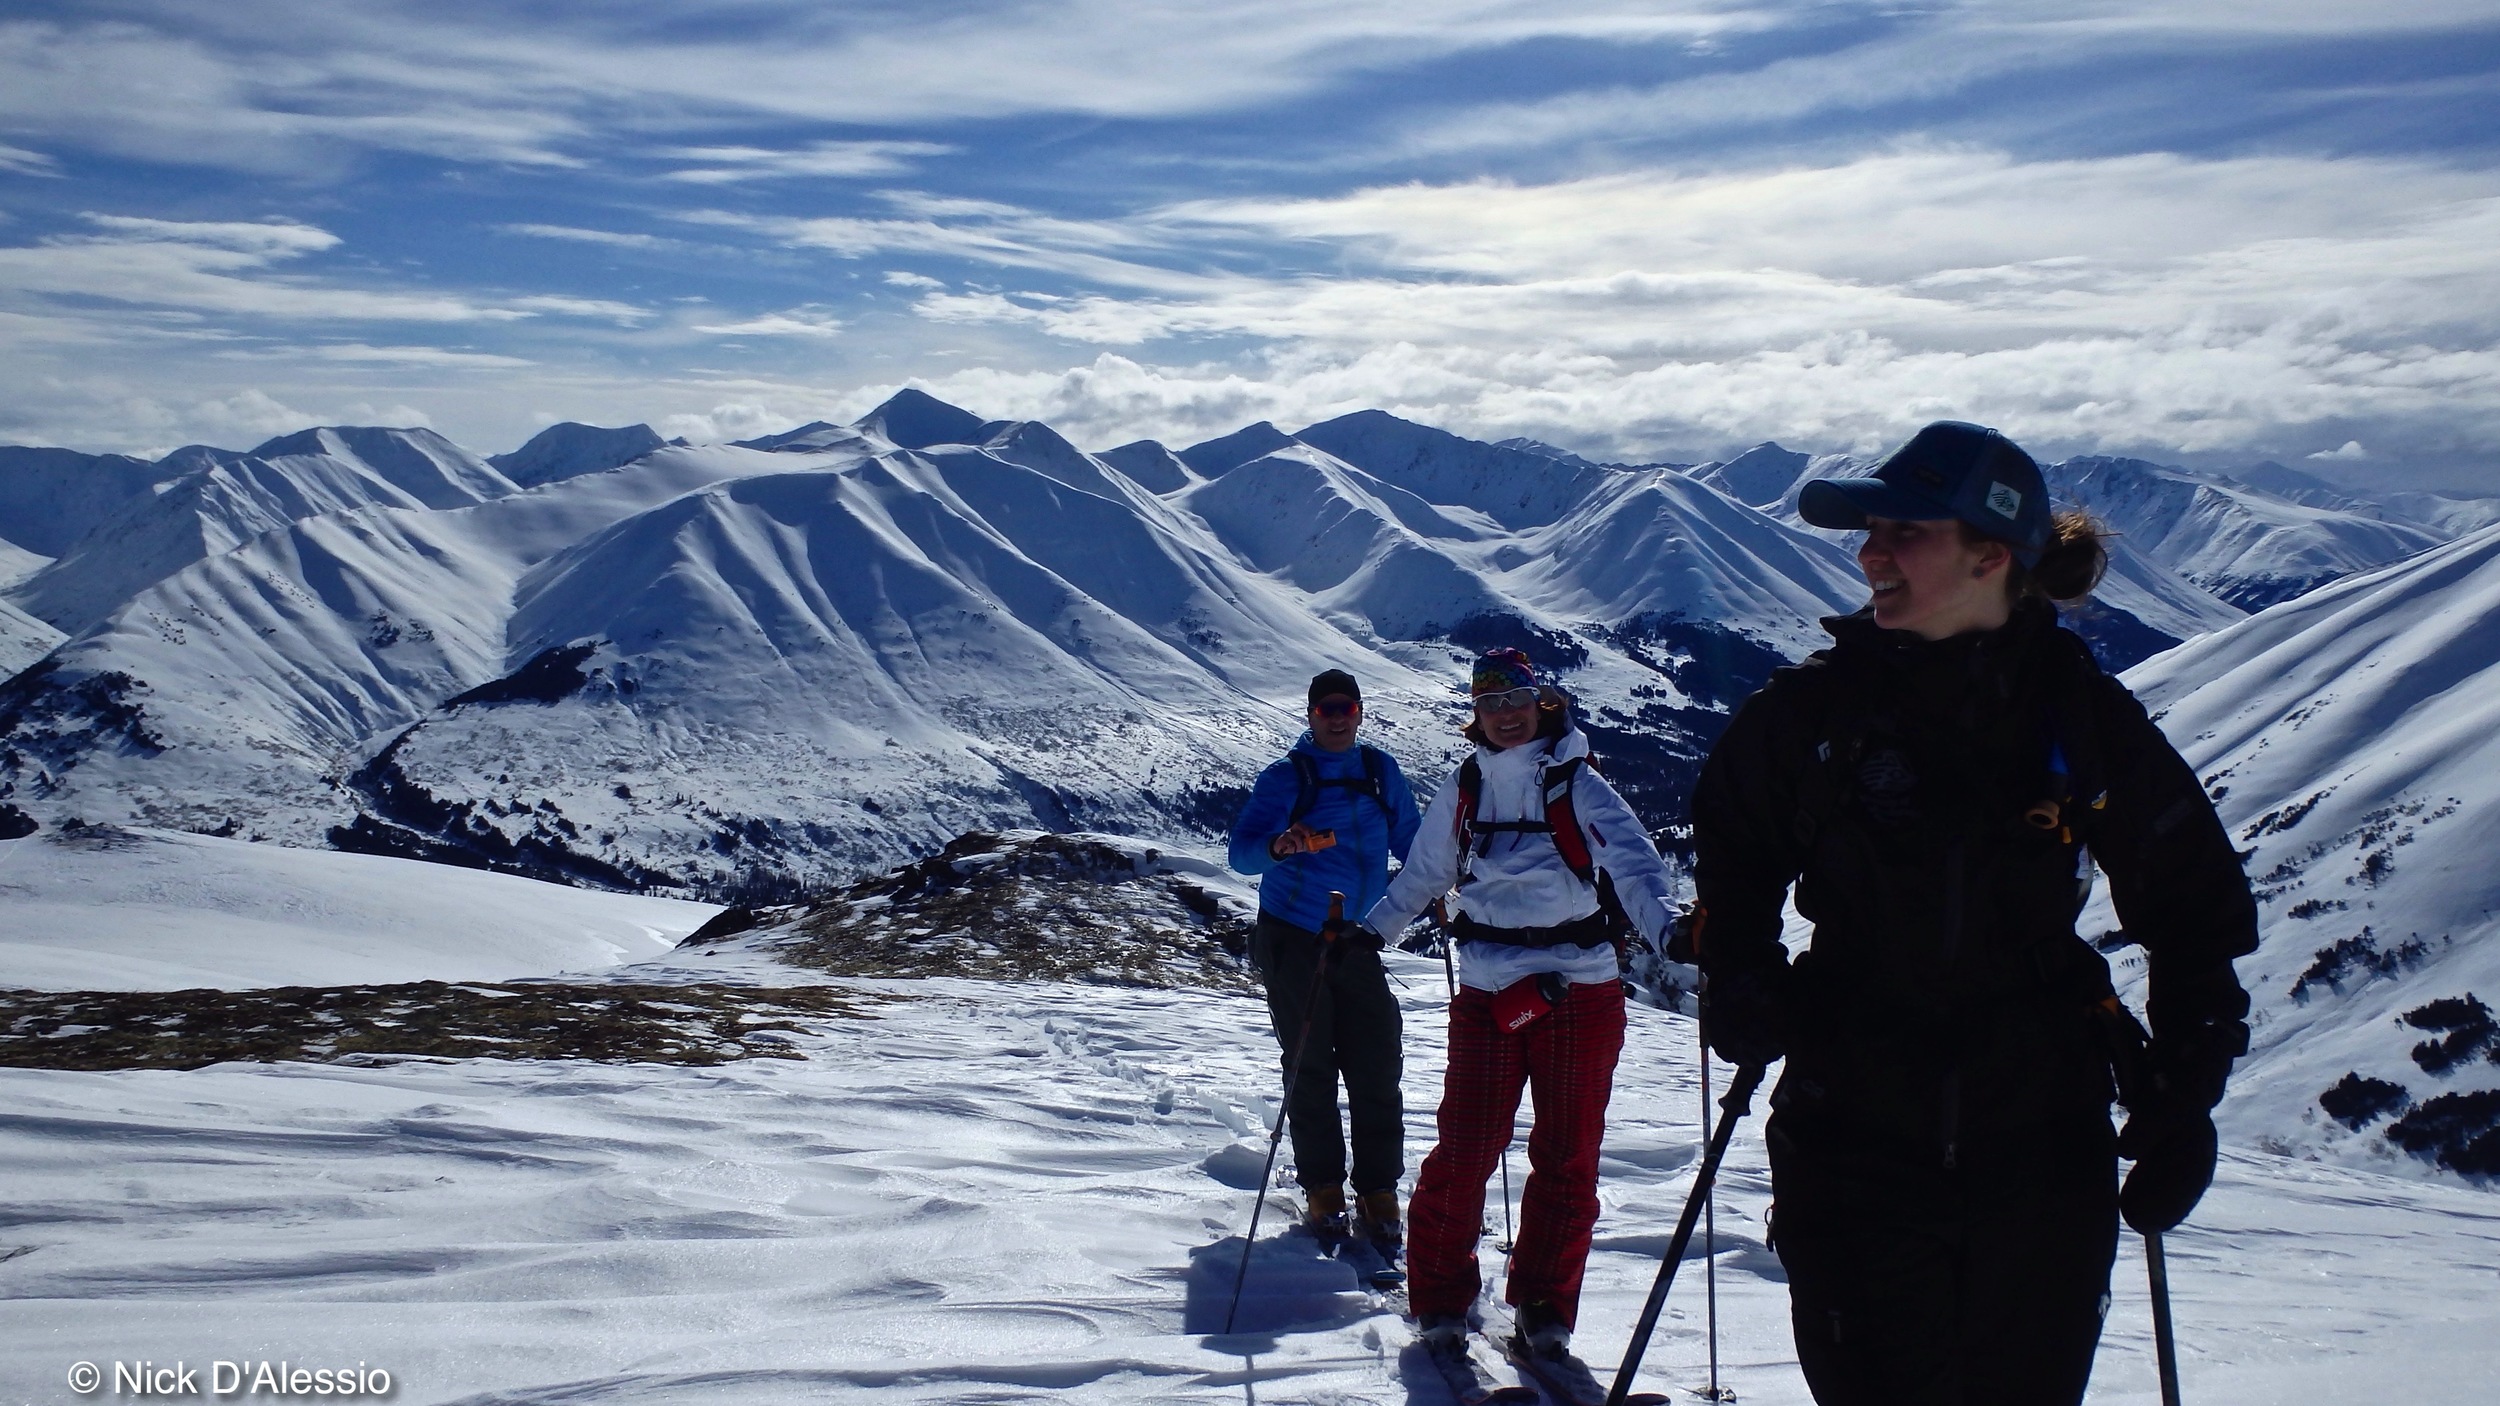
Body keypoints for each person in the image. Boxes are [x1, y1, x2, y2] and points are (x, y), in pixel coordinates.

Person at [1689, 421, 2257, 1406]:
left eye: (1901, 530)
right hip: (1851, 1134)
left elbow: (2193, 902)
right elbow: (1734, 845)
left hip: (2038, 1145)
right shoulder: (1813, 715)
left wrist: (2188, 1080)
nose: (1868, 552)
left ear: (1989, 554)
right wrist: (1737, 968)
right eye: (1868, 529)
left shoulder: (2083, 719)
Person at [1364, 647, 1679, 1369]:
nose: (1505, 715)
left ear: (1544, 702)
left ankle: (1543, 1304)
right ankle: (1443, 1294)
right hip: (1489, 986)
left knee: (1566, 1157)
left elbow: (1632, 863)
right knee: (1467, 1148)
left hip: (1579, 984)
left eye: (1517, 700)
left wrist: (1670, 930)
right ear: (1475, 714)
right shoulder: (1469, 784)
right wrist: (1368, 934)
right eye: (1489, 704)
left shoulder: (1579, 782)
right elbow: (1425, 872)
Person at [1228, 669, 1422, 1256]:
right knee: (1311, 1062)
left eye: (1347, 707)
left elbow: (1409, 836)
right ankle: (1323, 1187)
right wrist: (1281, 844)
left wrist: (1433, 880)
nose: (1337, 717)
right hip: (1294, 937)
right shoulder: (1288, 777)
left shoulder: (1379, 770)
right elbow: (1241, 853)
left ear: (1360, 712)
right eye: (1326, 709)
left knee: (1376, 1056)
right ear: (1311, 715)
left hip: (1356, 936)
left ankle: (1378, 1188)